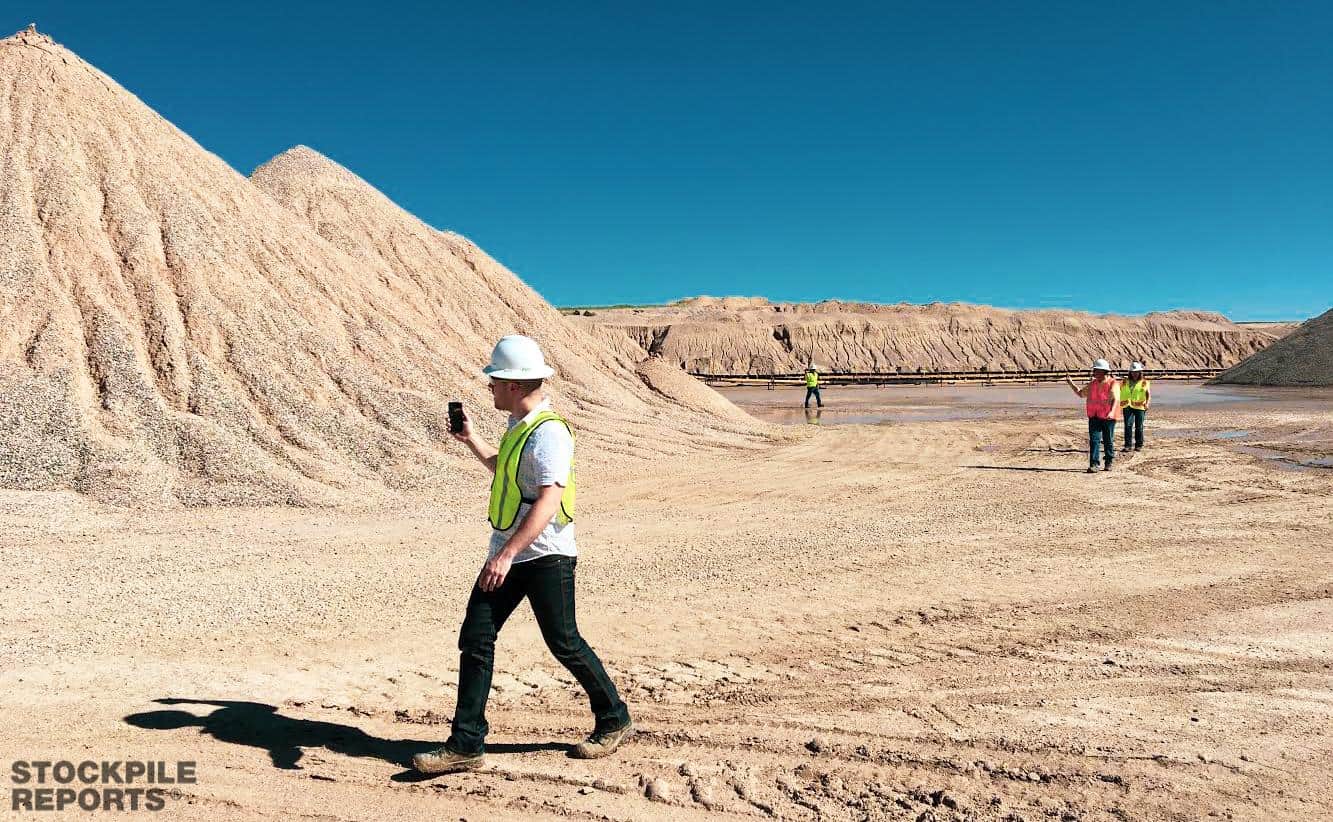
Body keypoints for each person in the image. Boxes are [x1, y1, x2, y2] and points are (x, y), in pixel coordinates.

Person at [412, 335, 632, 775]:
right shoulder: (518, 425)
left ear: (513, 384)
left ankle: (614, 717)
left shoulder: (550, 432)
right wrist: (471, 438)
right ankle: (466, 743)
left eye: (494, 380)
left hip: (545, 556)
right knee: (476, 638)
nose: (489, 386)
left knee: (564, 642)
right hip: (509, 553)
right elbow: (507, 471)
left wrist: (507, 553)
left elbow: (550, 500)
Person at [1065, 358, 1121, 474]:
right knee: (1094, 440)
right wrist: (1071, 383)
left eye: (1097, 371)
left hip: (1108, 417)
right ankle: (1094, 464)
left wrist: (1111, 412)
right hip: (1094, 416)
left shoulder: (1113, 383)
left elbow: (1115, 399)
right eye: (1094, 371)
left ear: (1104, 371)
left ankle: (1109, 461)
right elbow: (1081, 394)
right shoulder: (1093, 384)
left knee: (1107, 440)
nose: (1095, 373)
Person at [1120, 362, 1151, 452]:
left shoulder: (1145, 382)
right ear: (1130, 372)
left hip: (1140, 406)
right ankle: (1128, 445)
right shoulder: (1124, 382)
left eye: (1137, 372)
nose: (1135, 373)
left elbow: (1148, 394)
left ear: (1140, 372)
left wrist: (1147, 403)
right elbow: (1117, 391)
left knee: (1139, 426)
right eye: (1133, 372)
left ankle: (1138, 445)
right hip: (1127, 406)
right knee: (1128, 426)